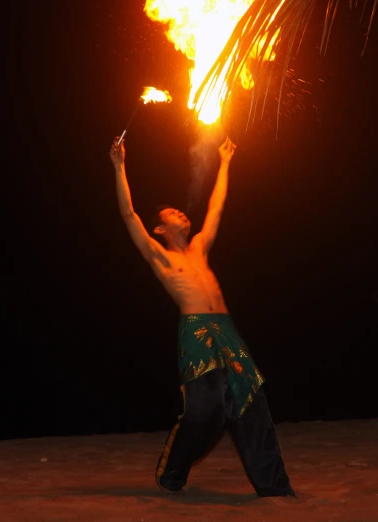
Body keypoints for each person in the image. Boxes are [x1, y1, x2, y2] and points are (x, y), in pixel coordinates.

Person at [109, 136, 294, 497]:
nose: (181, 213)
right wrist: (119, 166)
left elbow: (216, 209)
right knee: (203, 410)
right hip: (196, 333)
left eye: (180, 210)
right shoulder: (161, 258)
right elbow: (127, 214)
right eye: (171, 214)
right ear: (160, 229)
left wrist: (225, 163)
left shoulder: (198, 249)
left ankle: (274, 487)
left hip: (227, 331)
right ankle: (173, 471)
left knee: (251, 403)